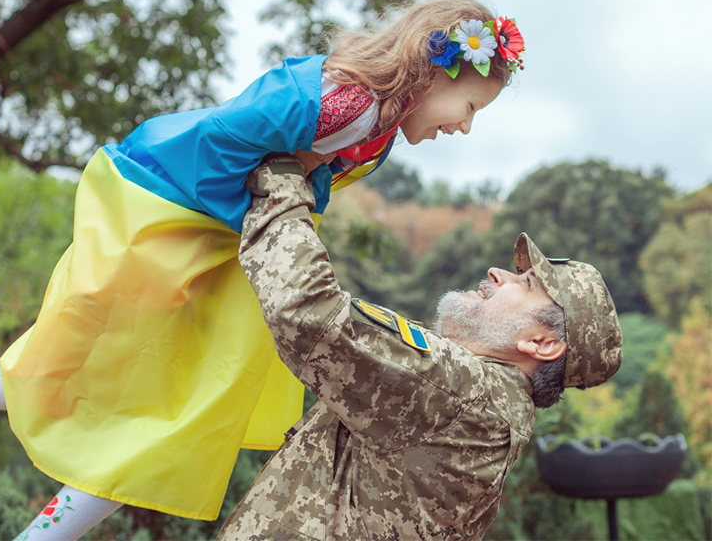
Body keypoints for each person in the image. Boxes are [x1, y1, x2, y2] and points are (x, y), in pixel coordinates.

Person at [0, 0, 526, 540]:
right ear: (431, 71)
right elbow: (227, 136)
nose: (466, 126)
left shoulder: (377, 125)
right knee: (173, 417)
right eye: (469, 105)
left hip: (214, 228)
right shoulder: (348, 103)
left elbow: (291, 176)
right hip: (180, 209)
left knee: (166, 405)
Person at [217, 157, 622, 540]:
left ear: (542, 343)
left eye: (528, 284)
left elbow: (307, 312)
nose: (497, 273)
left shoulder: (466, 394)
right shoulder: (484, 402)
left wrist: (282, 176)